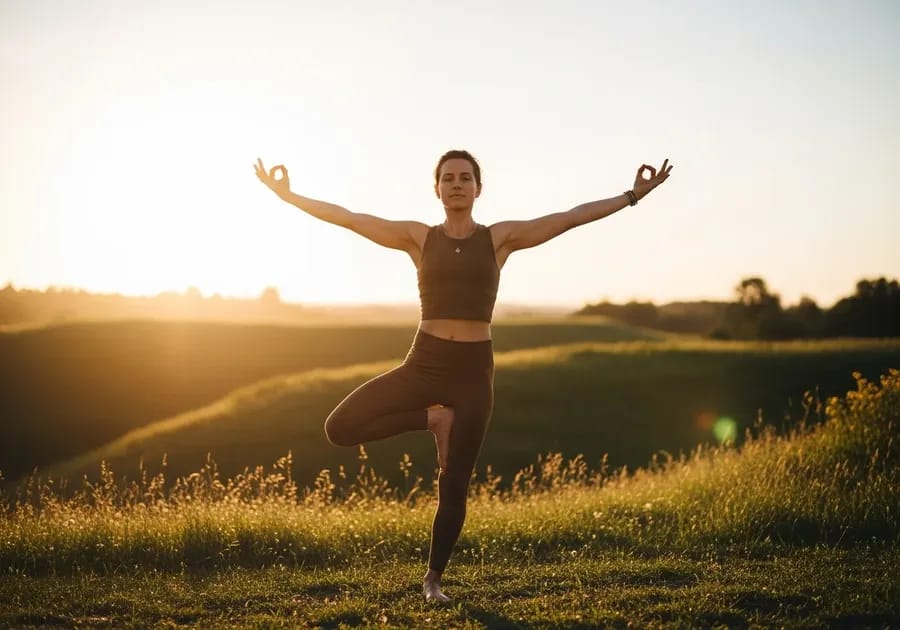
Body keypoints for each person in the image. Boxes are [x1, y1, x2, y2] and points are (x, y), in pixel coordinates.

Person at [254, 149, 672, 603]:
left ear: (478, 188)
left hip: (474, 373)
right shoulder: (418, 238)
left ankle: (433, 579)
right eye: (448, 178)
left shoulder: (499, 239)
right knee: (339, 427)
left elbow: (570, 218)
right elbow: (350, 218)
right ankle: (432, 419)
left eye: (465, 178)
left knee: (455, 481)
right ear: (437, 189)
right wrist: (288, 196)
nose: (456, 184)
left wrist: (633, 195)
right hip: (424, 363)